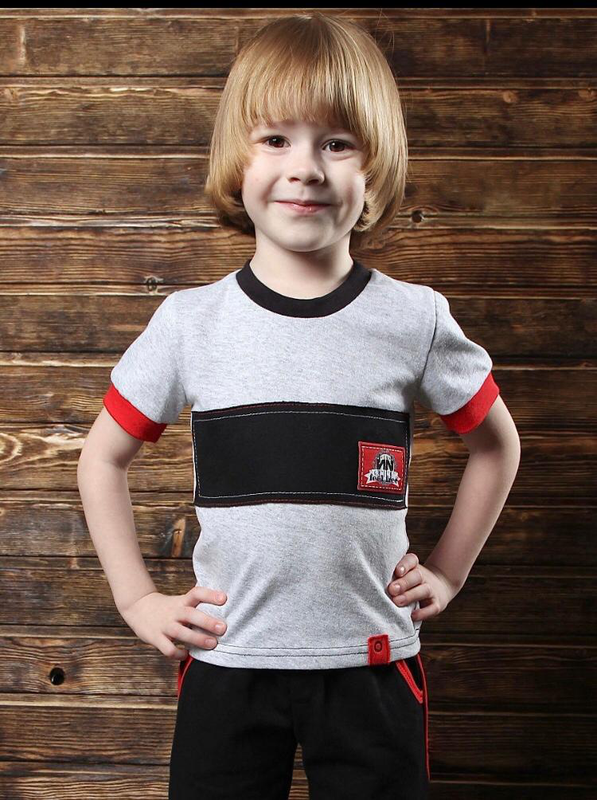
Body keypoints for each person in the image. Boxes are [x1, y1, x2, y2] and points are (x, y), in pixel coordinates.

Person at [77, 12, 521, 800]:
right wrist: (136, 598)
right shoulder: (189, 323)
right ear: (235, 158)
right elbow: (100, 458)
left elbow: (495, 445)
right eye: (275, 138)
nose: (305, 168)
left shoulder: (413, 319)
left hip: (371, 664)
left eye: (336, 143)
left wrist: (447, 571)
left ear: (374, 167)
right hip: (228, 659)